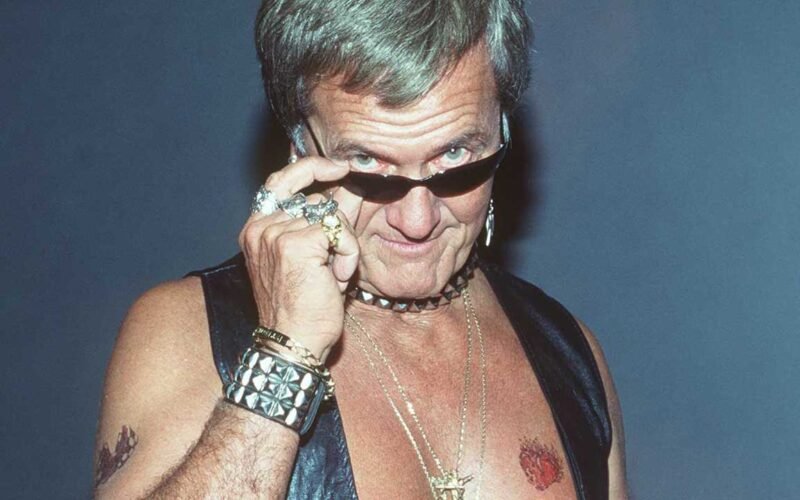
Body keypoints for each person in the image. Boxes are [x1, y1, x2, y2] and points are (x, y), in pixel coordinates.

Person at [94, 0, 627, 498]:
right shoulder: (182, 332)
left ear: (503, 131)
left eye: (455, 156)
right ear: (299, 149)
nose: (416, 220)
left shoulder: (569, 355)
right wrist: (285, 354)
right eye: (368, 164)